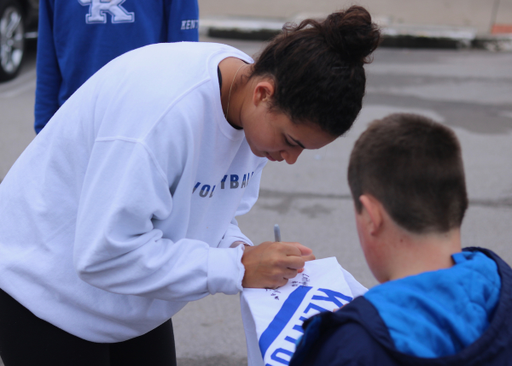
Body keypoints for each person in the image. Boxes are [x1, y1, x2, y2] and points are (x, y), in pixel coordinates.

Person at [0, 6, 380, 366]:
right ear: (263, 93)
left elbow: (210, 216)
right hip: (46, 297)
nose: (289, 158)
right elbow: (104, 256)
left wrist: (246, 252)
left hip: (132, 303)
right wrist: (236, 267)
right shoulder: (161, 114)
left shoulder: (251, 114)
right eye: (291, 141)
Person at [289, 113, 512, 366]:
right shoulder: (502, 288)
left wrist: (342, 334)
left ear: (372, 218)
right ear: (458, 201)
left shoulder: (351, 347)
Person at [34, 0, 199, 134]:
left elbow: (185, 64)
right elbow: (47, 58)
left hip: (145, 128)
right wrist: (44, 128)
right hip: (76, 126)